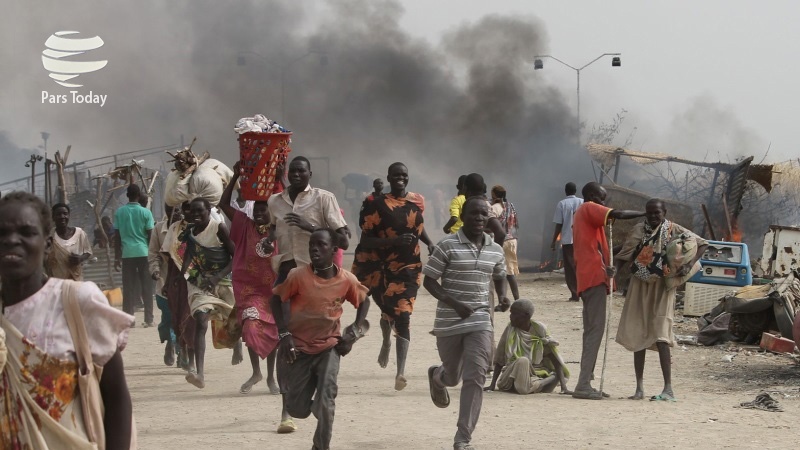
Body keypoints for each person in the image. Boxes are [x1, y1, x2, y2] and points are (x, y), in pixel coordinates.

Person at [0, 191, 134, 448]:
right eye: (1, 234)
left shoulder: (77, 301)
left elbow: (116, 395)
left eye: (26, 232)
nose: (11, 241)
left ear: (48, 244)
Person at [271, 228, 369, 450]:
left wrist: (353, 333)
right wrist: (284, 333)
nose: (314, 248)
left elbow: (364, 301)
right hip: (300, 350)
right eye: (312, 245)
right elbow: (276, 300)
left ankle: (321, 444)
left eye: (321, 245)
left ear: (334, 250)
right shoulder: (297, 276)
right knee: (296, 408)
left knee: (326, 403)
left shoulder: (346, 280)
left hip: (329, 348)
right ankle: (319, 408)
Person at [423, 197, 509, 450]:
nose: (480, 219)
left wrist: (503, 296)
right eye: (474, 214)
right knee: (453, 377)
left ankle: (463, 437)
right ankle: (438, 377)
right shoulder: (447, 245)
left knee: (475, 376)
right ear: (463, 215)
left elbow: (500, 275)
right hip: (449, 322)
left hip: (481, 320)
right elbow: (428, 280)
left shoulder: (496, 249)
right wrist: (453, 303)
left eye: (485, 214)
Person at [614, 198, 708, 401]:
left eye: (657, 213)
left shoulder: (675, 230)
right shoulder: (639, 230)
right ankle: (639, 388)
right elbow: (625, 254)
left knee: (662, 333)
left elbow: (702, 244)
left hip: (663, 286)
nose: (654, 216)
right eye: (650, 213)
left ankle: (668, 389)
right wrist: (612, 277)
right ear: (646, 214)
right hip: (640, 284)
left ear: (664, 212)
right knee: (638, 331)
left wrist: (688, 264)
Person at [351, 162, 434, 390]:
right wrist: (394, 241)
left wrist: (429, 243)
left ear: (408, 177)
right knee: (388, 309)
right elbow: (366, 240)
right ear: (389, 177)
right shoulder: (376, 204)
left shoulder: (418, 201)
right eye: (396, 175)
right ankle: (387, 340)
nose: (400, 178)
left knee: (403, 314)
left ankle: (400, 372)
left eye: (404, 175)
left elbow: (417, 225)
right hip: (380, 267)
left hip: (408, 266)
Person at [571, 182, 645, 400]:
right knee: (595, 331)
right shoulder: (588, 208)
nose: (605, 203)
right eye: (602, 198)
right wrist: (644, 212)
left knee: (592, 331)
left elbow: (601, 251)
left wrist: (623, 252)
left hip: (593, 276)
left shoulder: (590, 221)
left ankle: (587, 380)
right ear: (593, 197)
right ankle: (583, 384)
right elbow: (618, 214)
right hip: (592, 278)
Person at [219, 162, 282, 396]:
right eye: (255, 211)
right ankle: (256, 372)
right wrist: (235, 175)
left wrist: (279, 175)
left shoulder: (278, 228)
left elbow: (287, 201)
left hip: (273, 290)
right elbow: (223, 204)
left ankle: (270, 377)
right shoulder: (244, 225)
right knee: (251, 327)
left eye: (262, 211)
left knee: (273, 332)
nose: (258, 214)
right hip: (249, 290)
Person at [180, 198, 240, 389]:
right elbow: (187, 260)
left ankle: (236, 344)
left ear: (209, 211)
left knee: (235, 320)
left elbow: (235, 256)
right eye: (193, 212)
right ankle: (200, 373)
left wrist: (217, 278)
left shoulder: (219, 228)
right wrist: (188, 277)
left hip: (223, 280)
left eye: (200, 212)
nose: (196, 215)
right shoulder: (189, 233)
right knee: (201, 320)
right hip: (200, 282)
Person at [268, 156, 349, 282]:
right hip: (286, 273)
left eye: (301, 171)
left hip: (315, 273)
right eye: (293, 171)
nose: (296, 174)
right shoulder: (274, 201)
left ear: (310, 174)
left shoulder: (324, 198)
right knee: (276, 301)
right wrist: (268, 241)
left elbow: (344, 242)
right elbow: (272, 228)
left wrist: (310, 227)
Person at [485, 299, 571, 395]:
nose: (510, 317)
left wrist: (564, 387)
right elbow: (500, 358)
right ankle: (543, 383)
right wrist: (492, 385)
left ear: (526, 316)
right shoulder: (510, 329)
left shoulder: (539, 330)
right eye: (511, 313)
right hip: (510, 376)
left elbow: (554, 358)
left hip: (534, 374)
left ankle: (531, 385)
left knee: (523, 378)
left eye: (514, 314)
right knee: (523, 361)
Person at [114, 184, 156, 327]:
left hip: (127, 254)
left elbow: (117, 236)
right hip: (143, 252)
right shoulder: (146, 213)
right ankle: (149, 319)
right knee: (147, 286)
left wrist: (116, 256)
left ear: (127, 195)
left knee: (128, 287)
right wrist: (153, 255)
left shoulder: (120, 212)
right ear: (139, 196)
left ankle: (129, 320)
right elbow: (150, 235)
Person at [162, 201, 194, 371]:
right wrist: (167, 282)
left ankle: (191, 356)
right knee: (176, 316)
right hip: (176, 278)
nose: (187, 212)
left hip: (195, 277)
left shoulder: (201, 226)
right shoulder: (175, 228)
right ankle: (182, 349)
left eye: (191, 208)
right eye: (185, 208)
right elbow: (169, 258)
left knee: (191, 317)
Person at [149, 204, 181, 367]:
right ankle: (170, 342)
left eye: (179, 209)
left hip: (184, 281)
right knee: (168, 319)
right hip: (164, 282)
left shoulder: (189, 228)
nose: (175, 213)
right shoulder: (158, 229)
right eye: (171, 209)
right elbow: (153, 253)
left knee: (184, 318)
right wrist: (154, 270)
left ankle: (182, 351)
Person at [551, 182, 584, 301]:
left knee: (570, 267)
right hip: (581, 239)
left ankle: (575, 293)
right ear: (576, 190)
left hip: (568, 239)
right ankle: (583, 291)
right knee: (581, 265)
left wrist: (553, 241)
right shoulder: (583, 202)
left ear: (565, 191)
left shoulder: (562, 204)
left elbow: (559, 224)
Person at [46, 202, 93, 281]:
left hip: (75, 277)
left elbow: (88, 252)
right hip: (57, 280)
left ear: (69, 216)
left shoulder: (79, 233)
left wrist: (80, 258)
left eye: (65, 214)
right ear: (53, 217)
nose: (62, 217)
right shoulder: (50, 236)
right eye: (58, 214)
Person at [490, 185, 520, 304]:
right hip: (512, 240)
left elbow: (491, 222)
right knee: (510, 271)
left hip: (501, 240)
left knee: (498, 271)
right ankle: (517, 299)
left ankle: (501, 300)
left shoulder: (496, 207)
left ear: (494, 195)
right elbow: (516, 223)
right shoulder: (511, 205)